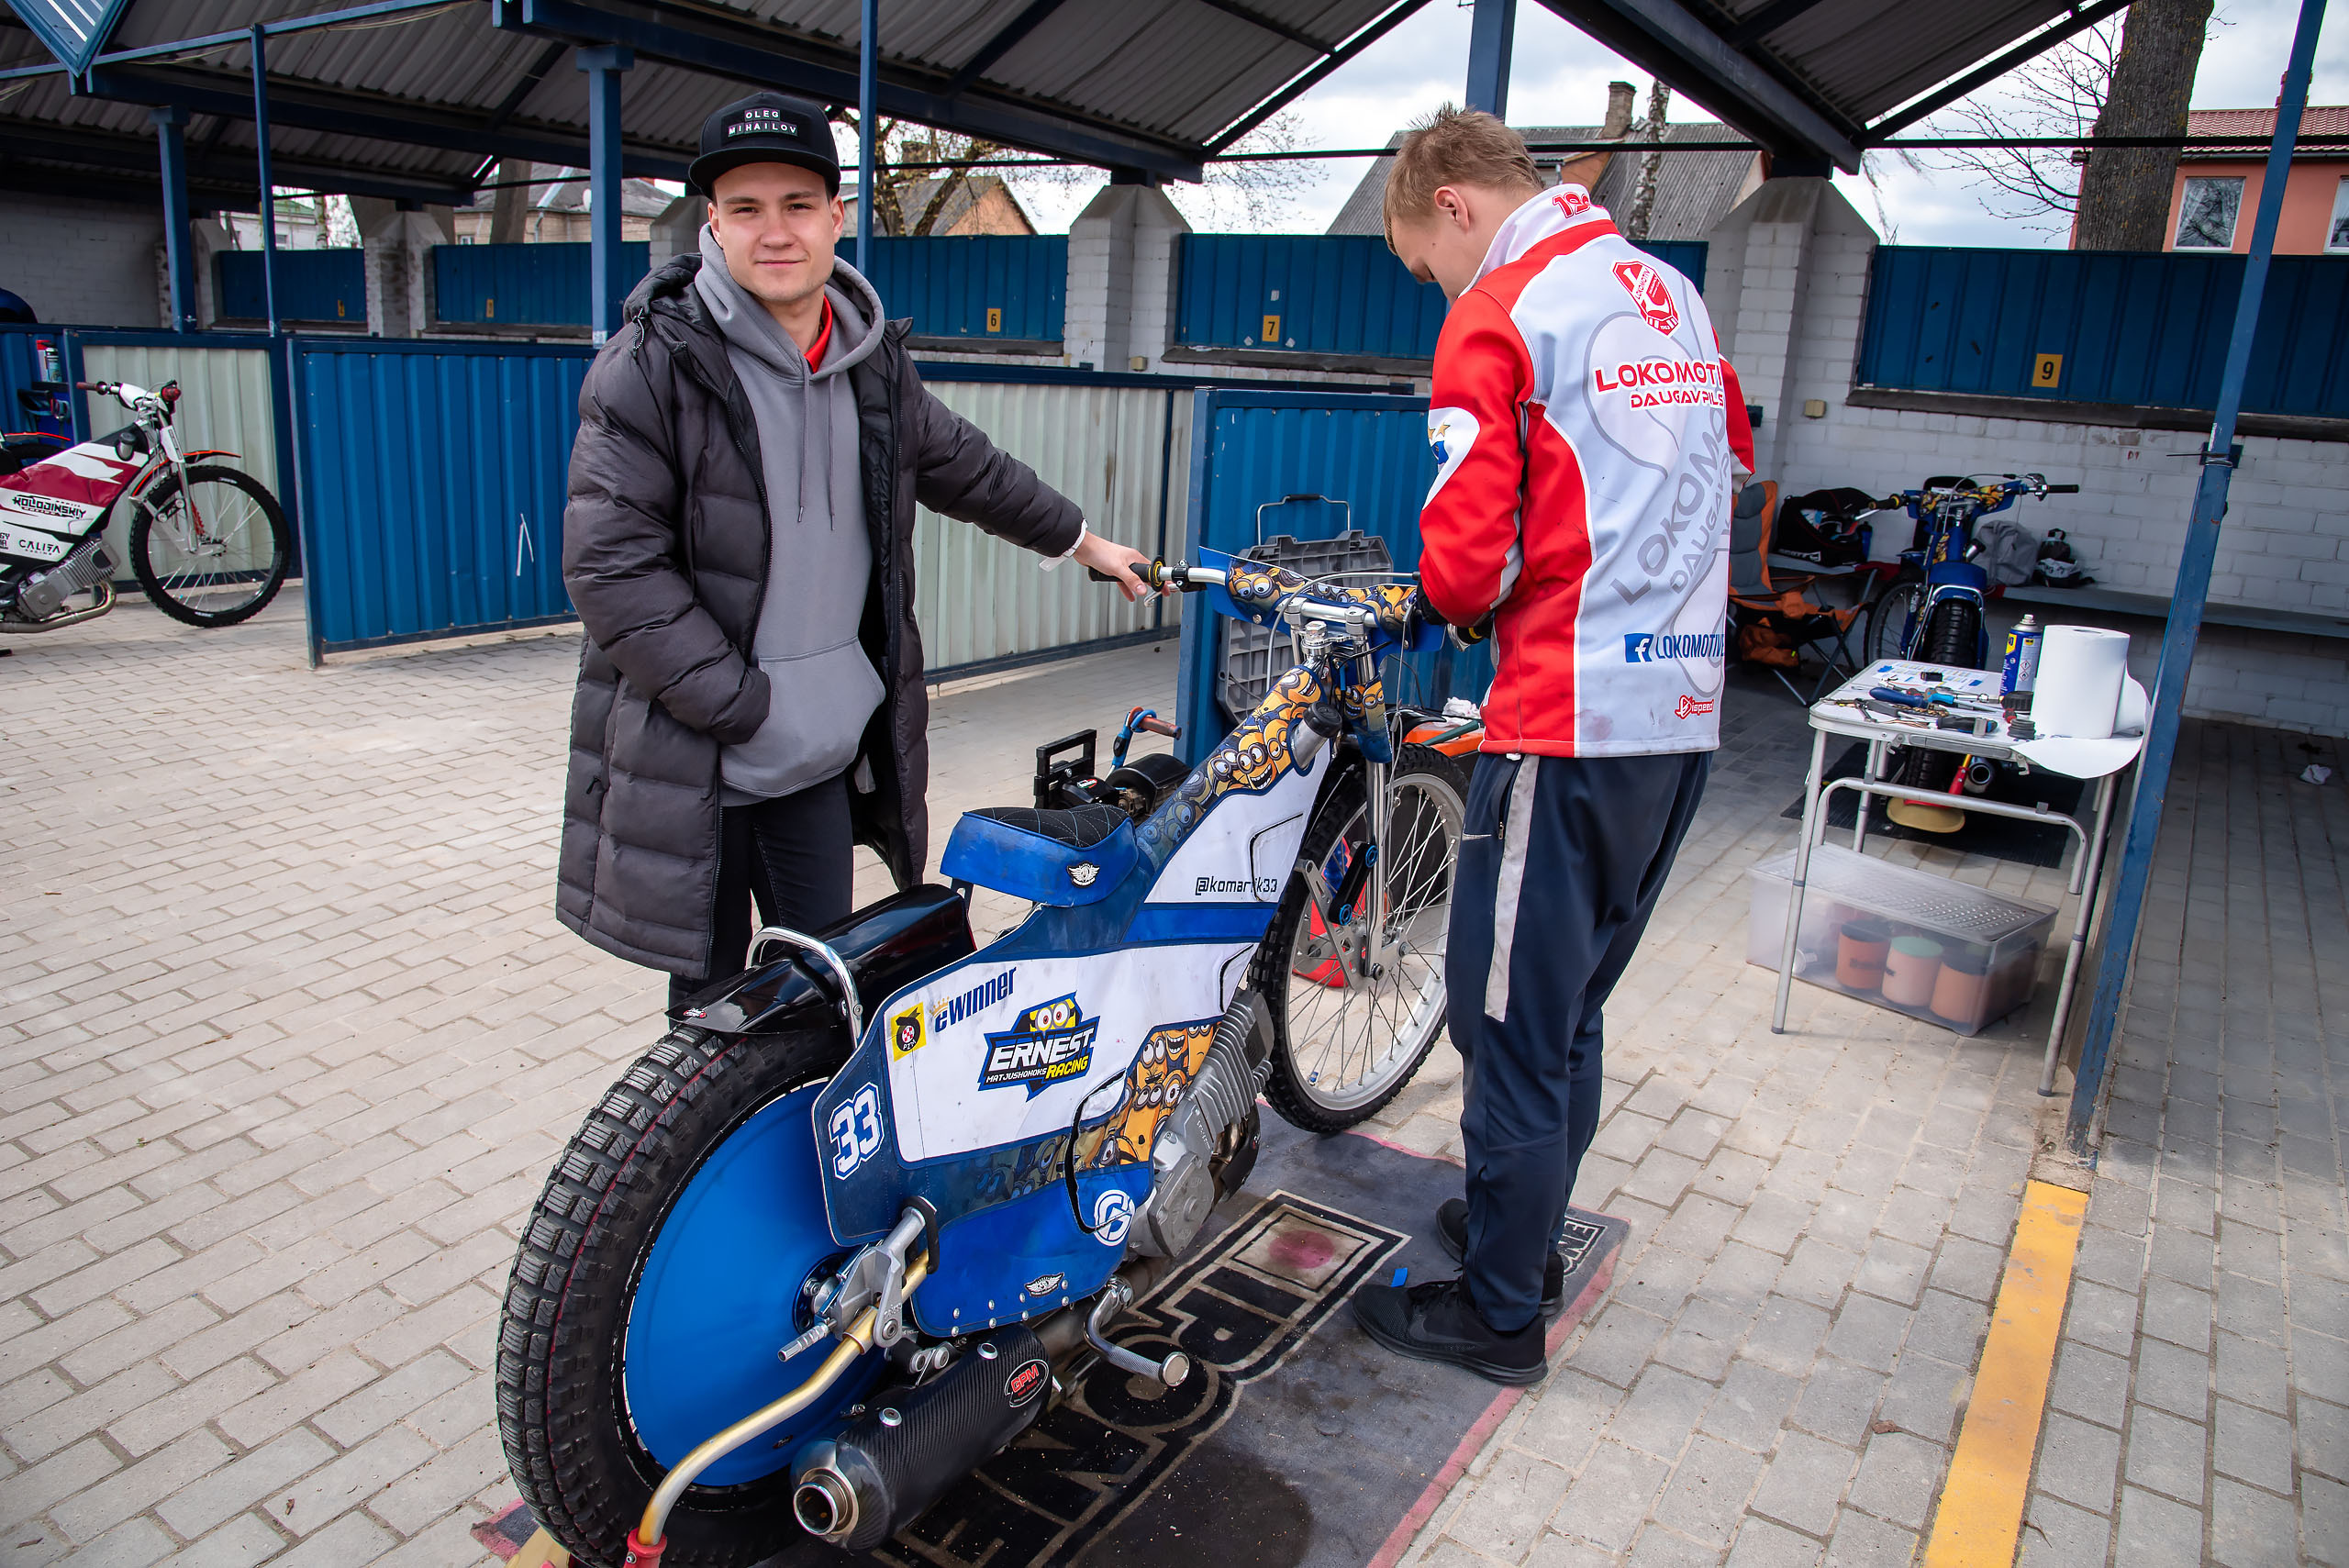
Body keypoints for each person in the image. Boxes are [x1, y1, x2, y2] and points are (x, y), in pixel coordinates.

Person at [557, 91, 1151, 1006]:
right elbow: (612, 570)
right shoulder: (649, 366)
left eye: (797, 205)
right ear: (712, 222)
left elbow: (969, 466)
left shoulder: (872, 362)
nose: (775, 231)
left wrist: (1084, 541)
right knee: (710, 1025)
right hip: (701, 759)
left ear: (835, 218)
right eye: (745, 209)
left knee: (824, 992)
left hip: (815, 763)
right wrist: (743, 705)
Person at [1352, 107, 1754, 1385]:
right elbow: (1729, 458)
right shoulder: (1667, 294)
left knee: (1501, 1020)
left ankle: (1498, 1315)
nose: (1437, 289)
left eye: (1427, 262)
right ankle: (1519, 1231)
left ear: (1455, 204)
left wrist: (1457, 599)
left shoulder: (1503, 310)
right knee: (1566, 1009)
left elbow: (1467, 570)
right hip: (1679, 720)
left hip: (1567, 724)